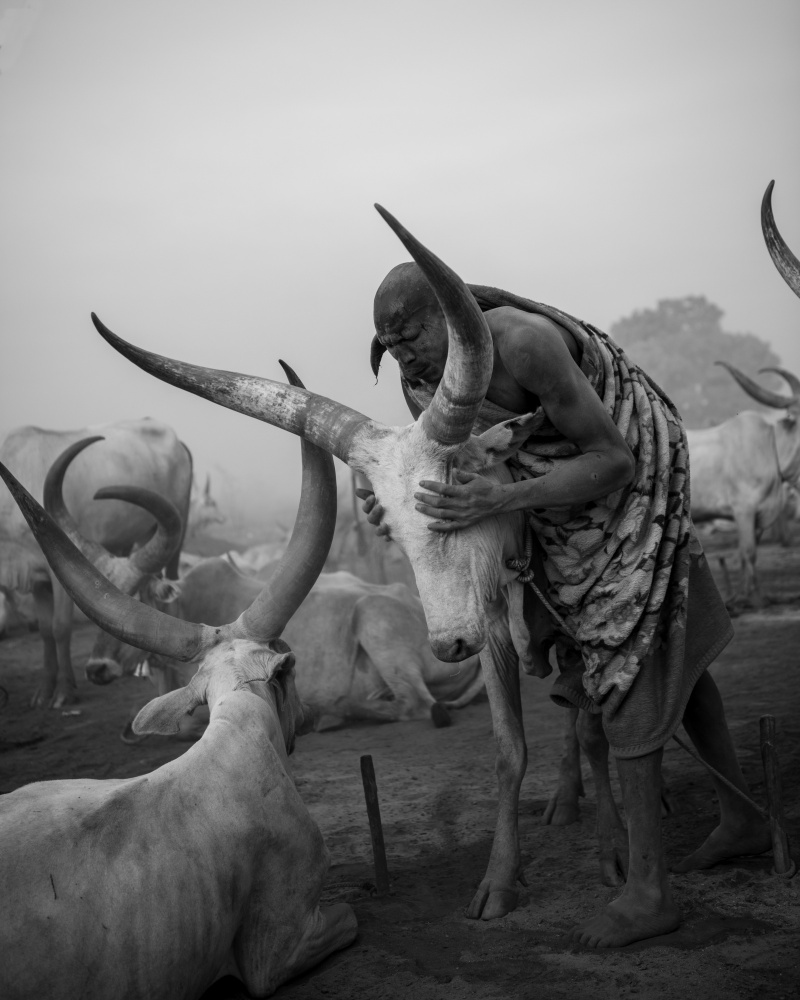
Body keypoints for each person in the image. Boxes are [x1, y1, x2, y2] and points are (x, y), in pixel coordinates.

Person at [362, 261, 771, 948]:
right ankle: (743, 817)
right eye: (390, 346)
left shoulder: (523, 344)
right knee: (674, 655)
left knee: (626, 657)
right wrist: (405, 505)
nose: (403, 357)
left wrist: (502, 497)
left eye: (410, 337)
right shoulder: (422, 384)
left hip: (631, 477)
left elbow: (614, 460)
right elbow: (468, 466)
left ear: (450, 317)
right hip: (545, 500)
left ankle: (649, 891)